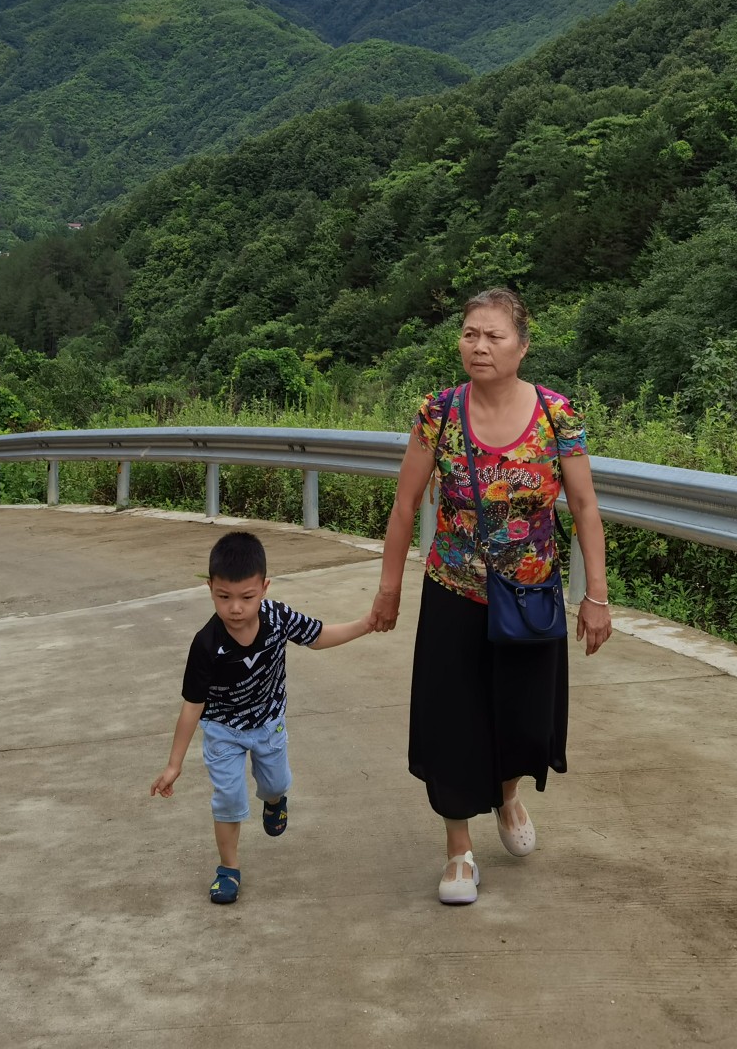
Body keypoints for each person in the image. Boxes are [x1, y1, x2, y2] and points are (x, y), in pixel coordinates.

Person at [369, 287, 613, 904]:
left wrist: (597, 596)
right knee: (452, 720)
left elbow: (584, 507)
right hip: (453, 590)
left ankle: (507, 796)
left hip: (531, 594)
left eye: (494, 336)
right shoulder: (439, 413)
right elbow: (404, 506)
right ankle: (458, 852)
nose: (479, 346)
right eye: (470, 334)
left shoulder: (558, 415)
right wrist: (390, 585)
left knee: (521, 714)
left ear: (522, 347)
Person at [149, 530, 377, 904]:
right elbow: (192, 705)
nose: (235, 608)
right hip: (223, 730)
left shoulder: (278, 618)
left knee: (274, 784)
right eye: (224, 597)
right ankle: (229, 869)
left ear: (264, 587)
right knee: (228, 798)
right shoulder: (206, 644)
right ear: (210, 589)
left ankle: (274, 801)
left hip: (268, 723)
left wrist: (364, 624)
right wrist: (174, 764)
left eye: (246, 597)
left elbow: (318, 635)